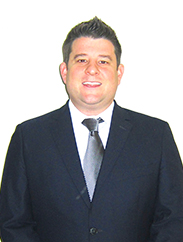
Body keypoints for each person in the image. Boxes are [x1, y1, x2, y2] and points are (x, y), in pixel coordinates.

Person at [0, 17, 183, 242]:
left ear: (119, 73)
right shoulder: (28, 138)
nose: (92, 70)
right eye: (82, 60)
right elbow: (14, 223)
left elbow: (174, 219)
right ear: (65, 71)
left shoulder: (156, 136)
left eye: (104, 61)